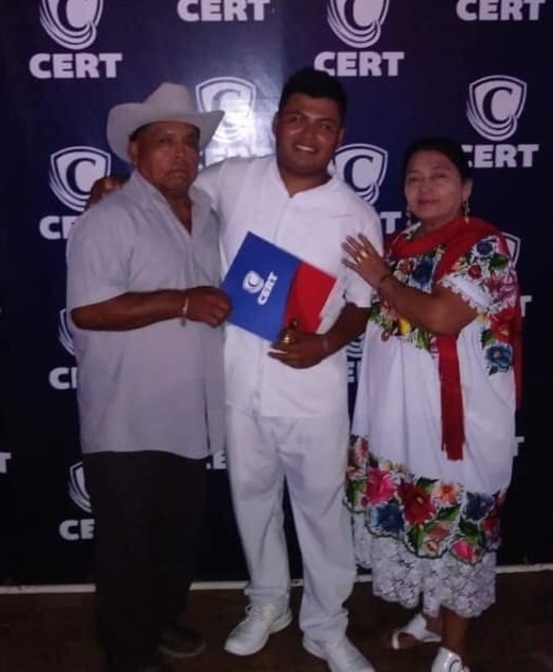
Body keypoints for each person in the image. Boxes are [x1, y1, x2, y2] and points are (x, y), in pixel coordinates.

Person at [193, 67, 380, 672]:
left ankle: (325, 626)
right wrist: (118, 186)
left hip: (312, 390)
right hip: (238, 382)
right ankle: (268, 602)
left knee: (322, 511)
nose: (308, 134)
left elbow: (361, 305)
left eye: (324, 125)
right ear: (276, 123)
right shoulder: (231, 178)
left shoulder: (355, 214)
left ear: (340, 136)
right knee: (252, 501)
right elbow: (169, 194)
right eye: (297, 119)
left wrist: (325, 344)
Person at [65, 82, 231, 672]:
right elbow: (88, 311)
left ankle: (159, 622)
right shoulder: (108, 218)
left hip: (190, 412)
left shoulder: (209, 213)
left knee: (175, 540)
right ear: (134, 152)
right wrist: (181, 302)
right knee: (127, 545)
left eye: (190, 142)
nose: (181, 154)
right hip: (127, 418)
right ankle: (128, 654)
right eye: (164, 141)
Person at [340, 137, 522, 672]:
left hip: (459, 420)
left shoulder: (484, 247)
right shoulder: (397, 245)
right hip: (398, 415)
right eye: (413, 178)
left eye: (439, 175)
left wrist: (380, 277)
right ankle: (432, 615)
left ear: (465, 188)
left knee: (459, 526)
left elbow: (442, 317)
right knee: (418, 517)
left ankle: (455, 647)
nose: (424, 187)